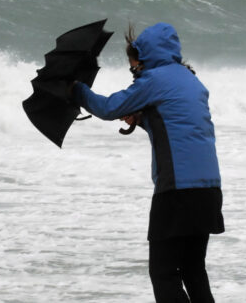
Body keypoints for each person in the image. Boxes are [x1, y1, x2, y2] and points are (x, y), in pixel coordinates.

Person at [71, 22, 224, 303]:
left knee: (163, 273)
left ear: (145, 58)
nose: (134, 75)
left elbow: (107, 108)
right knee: (193, 271)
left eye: (134, 68)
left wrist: (76, 88)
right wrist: (143, 119)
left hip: (178, 190)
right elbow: (178, 126)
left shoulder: (154, 79)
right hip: (208, 190)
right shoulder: (191, 80)